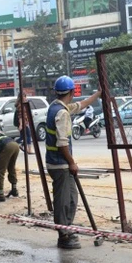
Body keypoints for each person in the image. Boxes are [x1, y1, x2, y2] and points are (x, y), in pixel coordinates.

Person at [46, 75, 102, 249]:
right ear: (71, 92)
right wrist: (72, 162)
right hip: (60, 163)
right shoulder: (62, 113)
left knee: (71, 197)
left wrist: (97, 94)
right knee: (63, 201)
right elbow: (62, 143)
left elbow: (81, 105)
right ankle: (63, 235)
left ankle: (66, 229)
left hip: (58, 163)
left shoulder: (56, 107)